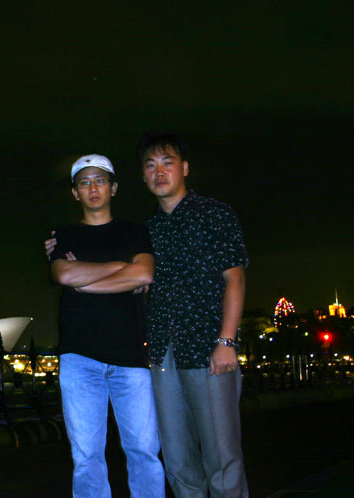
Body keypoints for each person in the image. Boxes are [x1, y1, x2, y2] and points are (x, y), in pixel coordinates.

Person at [138, 131, 249, 498]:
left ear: (184, 168)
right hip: (163, 351)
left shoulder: (214, 214)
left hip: (207, 348)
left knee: (221, 456)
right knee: (177, 457)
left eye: (167, 163)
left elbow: (235, 278)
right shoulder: (147, 230)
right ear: (143, 175)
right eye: (150, 166)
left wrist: (226, 341)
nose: (159, 173)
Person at [48, 154, 165, 498]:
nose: (93, 188)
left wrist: (85, 282)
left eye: (100, 180)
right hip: (79, 358)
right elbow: (63, 274)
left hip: (131, 358)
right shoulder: (63, 234)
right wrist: (121, 269)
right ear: (75, 193)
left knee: (144, 451)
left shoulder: (135, 231)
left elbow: (145, 273)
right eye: (84, 183)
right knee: (87, 456)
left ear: (113, 187)